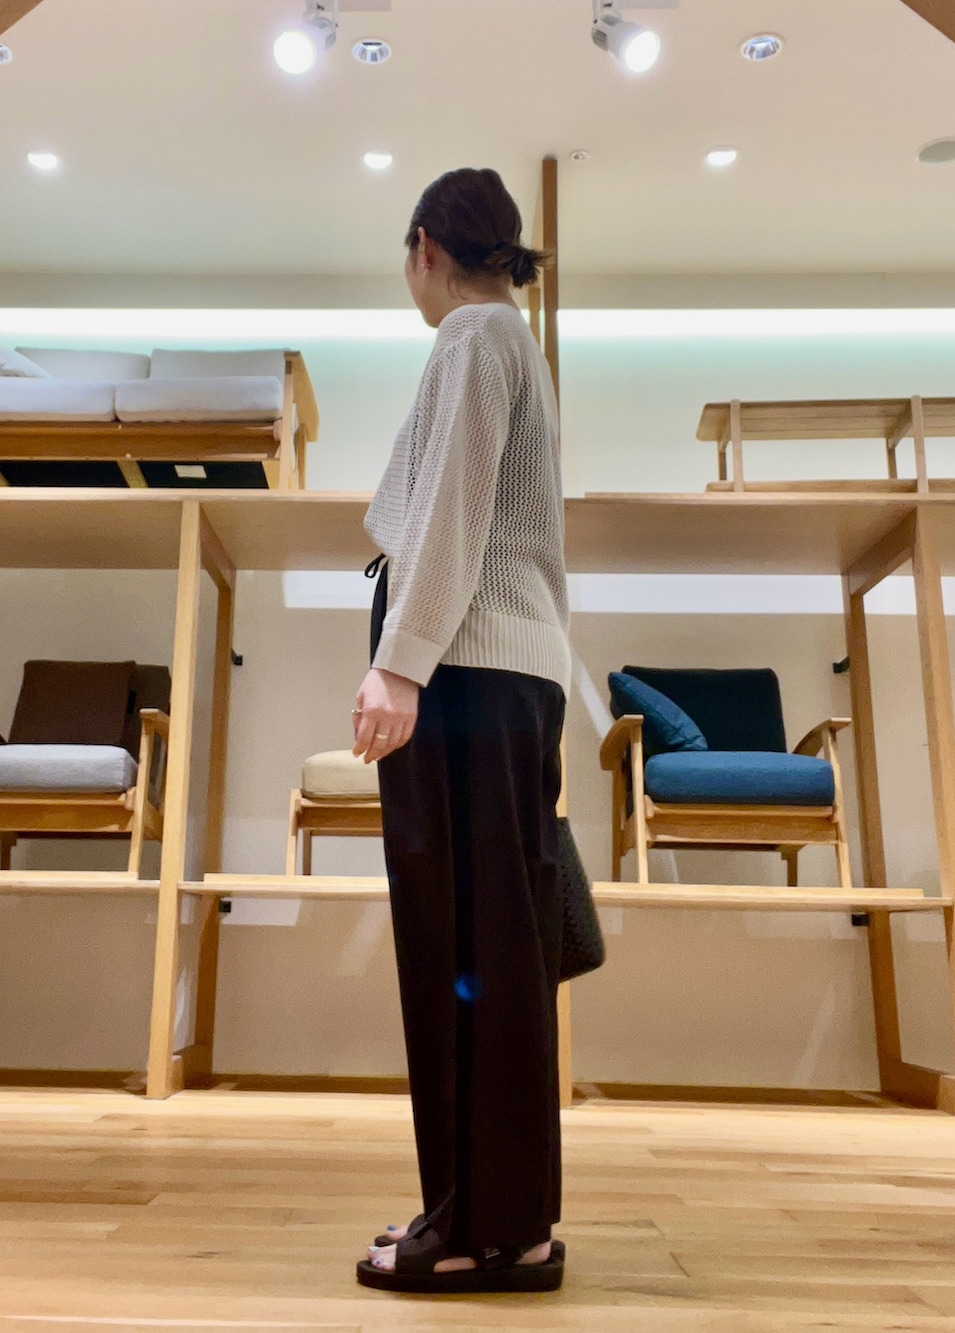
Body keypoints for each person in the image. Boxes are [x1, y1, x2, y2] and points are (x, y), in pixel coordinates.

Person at [352, 167, 571, 1295]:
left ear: (426, 247)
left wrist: (399, 664)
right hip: (498, 676)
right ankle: (494, 1214)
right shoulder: (508, 340)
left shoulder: (474, 337)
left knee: (465, 957)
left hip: (467, 676)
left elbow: (450, 511)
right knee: (493, 955)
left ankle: (488, 1226)